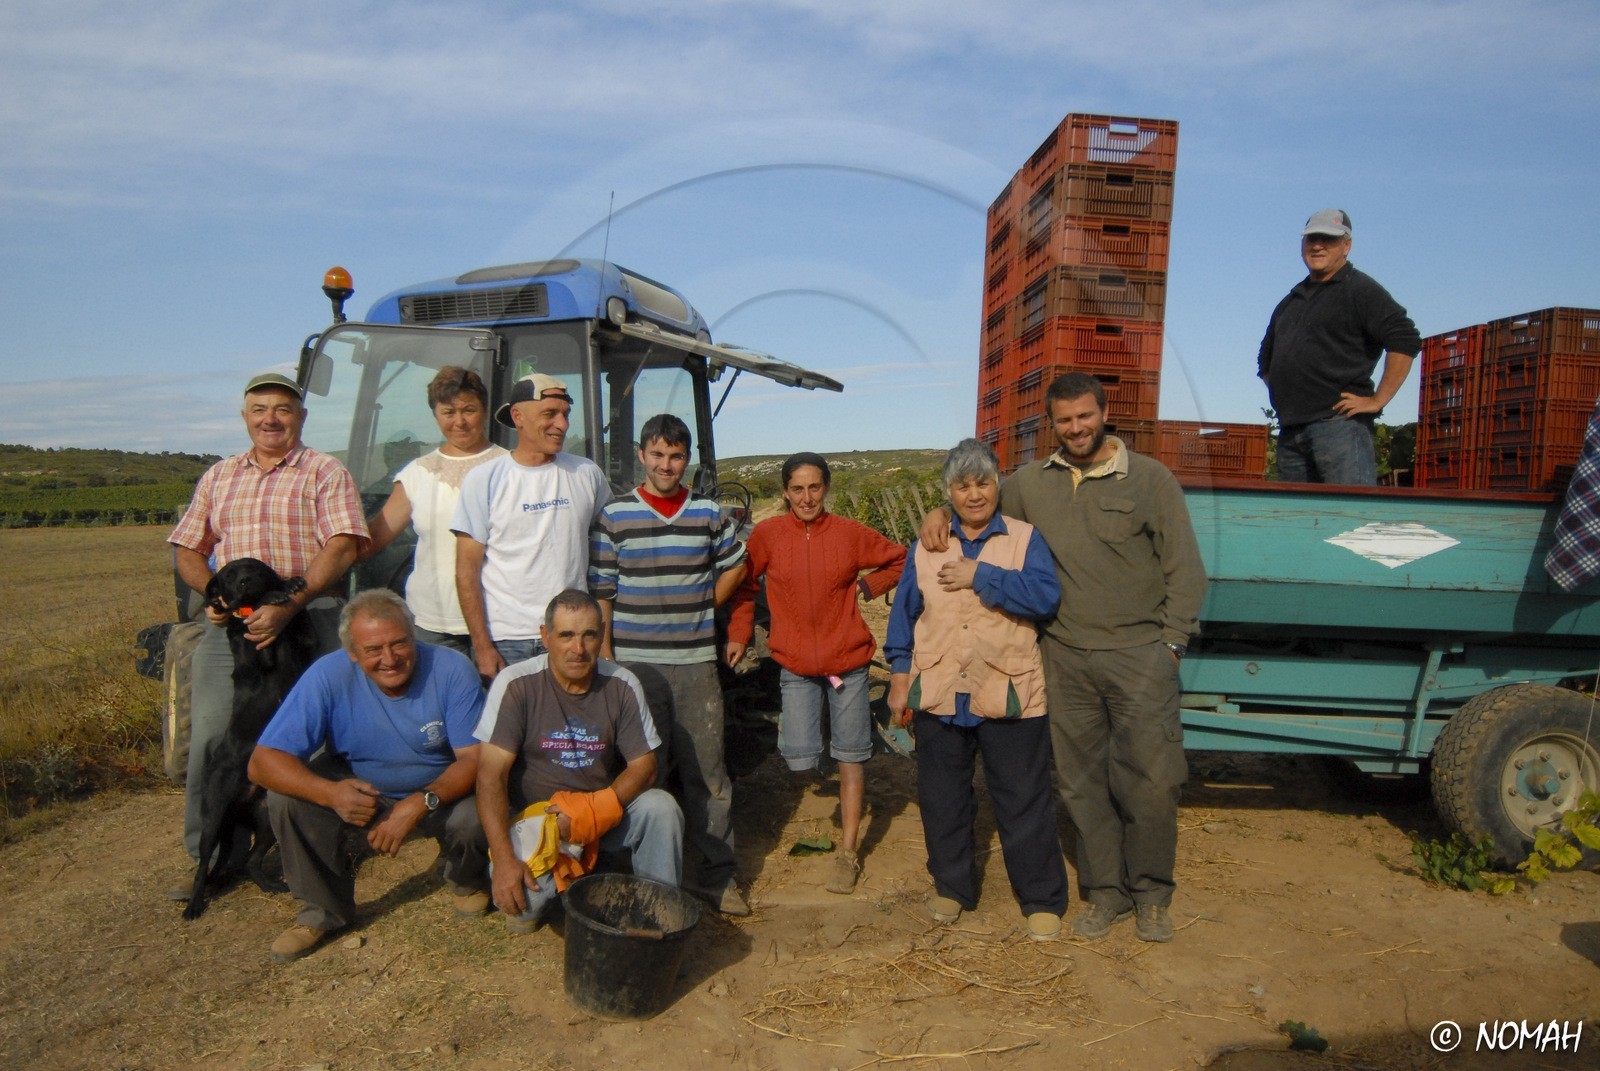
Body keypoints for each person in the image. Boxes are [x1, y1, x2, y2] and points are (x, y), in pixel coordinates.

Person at [921, 372, 1205, 942]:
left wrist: (1172, 645)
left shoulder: (1150, 479)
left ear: (1104, 412)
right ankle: (1105, 894)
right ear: (1051, 424)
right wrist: (938, 513)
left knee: (1151, 781)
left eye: (1085, 416)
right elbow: (977, 501)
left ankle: (1151, 894)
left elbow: (1184, 568)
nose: (1076, 428)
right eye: (1065, 420)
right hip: (1066, 656)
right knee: (1080, 783)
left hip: (1138, 654)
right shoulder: (1032, 482)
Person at [167, 371, 368, 873]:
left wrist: (290, 603)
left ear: (301, 417)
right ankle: (207, 857)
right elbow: (188, 549)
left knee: (315, 734)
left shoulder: (324, 471)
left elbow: (342, 544)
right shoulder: (218, 476)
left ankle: (310, 849)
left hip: (309, 618)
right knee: (212, 735)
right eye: (259, 410)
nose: (270, 419)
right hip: (232, 630)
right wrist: (212, 595)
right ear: (245, 417)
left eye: (282, 409)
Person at [885, 439, 1068, 940]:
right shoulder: (927, 544)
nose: (974, 494)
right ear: (949, 492)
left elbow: (1045, 597)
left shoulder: (1024, 539)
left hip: (1008, 688)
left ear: (997, 484)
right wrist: (899, 676)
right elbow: (905, 613)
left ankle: (1040, 898)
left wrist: (981, 575)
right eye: (962, 486)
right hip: (940, 687)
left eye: (983, 482)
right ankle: (952, 887)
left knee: (1023, 796)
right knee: (942, 795)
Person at [247, 590, 489, 963]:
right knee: (286, 799)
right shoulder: (326, 675)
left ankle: (467, 878)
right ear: (352, 653)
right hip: (361, 784)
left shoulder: (452, 668)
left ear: (414, 636)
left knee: (475, 812)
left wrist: (418, 803)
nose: (389, 659)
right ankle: (322, 912)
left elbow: (474, 760)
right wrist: (330, 794)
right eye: (373, 649)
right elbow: (262, 762)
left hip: (437, 787)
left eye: (399, 643)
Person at [588, 414, 750, 915]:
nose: (666, 465)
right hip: (636, 667)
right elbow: (603, 591)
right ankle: (646, 877)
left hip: (695, 662)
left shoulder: (707, 512)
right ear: (642, 456)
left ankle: (719, 875)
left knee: (708, 773)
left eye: (676, 456)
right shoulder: (615, 516)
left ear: (687, 460)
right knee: (644, 772)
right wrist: (608, 655)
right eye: (657, 455)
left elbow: (736, 564)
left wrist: (705, 607)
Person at [726, 452, 905, 895]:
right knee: (801, 758)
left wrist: (867, 586)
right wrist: (739, 634)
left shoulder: (849, 533)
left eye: (815, 487)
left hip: (849, 663)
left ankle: (848, 852)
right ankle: (830, 745)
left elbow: (901, 559)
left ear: (826, 488)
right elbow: (745, 587)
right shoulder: (768, 535)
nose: (807, 497)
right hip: (797, 665)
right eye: (798, 489)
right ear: (785, 492)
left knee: (851, 757)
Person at [475, 589, 683, 933]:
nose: (579, 648)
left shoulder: (622, 683)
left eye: (589, 635)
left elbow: (645, 767)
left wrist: (594, 810)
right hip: (540, 825)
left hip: (601, 816)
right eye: (566, 635)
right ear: (545, 636)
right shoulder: (515, 684)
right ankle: (580, 878)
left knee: (661, 808)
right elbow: (489, 776)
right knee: (523, 909)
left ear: (602, 634)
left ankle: (659, 915)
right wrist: (504, 858)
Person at [451, 373, 610, 681]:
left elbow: (608, 546)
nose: (562, 425)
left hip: (572, 636)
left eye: (565, 414)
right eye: (550, 414)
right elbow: (466, 571)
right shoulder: (485, 479)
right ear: (518, 416)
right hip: (508, 640)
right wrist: (482, 646)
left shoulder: (586, 473)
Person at [1257, 208, 1422, 485]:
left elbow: (1405, 338)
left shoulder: (1360, 290)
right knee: (1294, 513)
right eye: (1312, 239)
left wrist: (1378, 400)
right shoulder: (1290, 301)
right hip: (1291, 433)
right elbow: (1265, 357)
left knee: (1348, 510)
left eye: (1328, 239)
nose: (1317, 246)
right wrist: (1288, 395)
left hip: (1339, 428)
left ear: (1346, 246)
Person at [361, 366, 507, 655]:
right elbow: (374, 537)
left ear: (484, 410)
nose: (459, 422)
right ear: (435, 415)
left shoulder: (510, 467)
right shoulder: (417, 473)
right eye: (448, 412)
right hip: (432, 625)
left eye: (469, 410)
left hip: (500, 622)